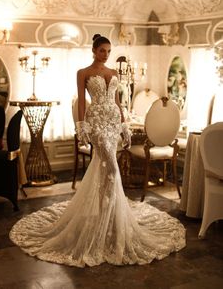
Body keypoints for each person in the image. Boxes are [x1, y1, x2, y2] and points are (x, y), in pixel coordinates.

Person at [10, 34, 186, 267]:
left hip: (113, 121)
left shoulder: (113, 73)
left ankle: (108, 214)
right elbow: (83, 102)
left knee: (106, 167)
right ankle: (107, 213)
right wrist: (82, 126)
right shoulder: (83, 73)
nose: (106, 54)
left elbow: (118, 102)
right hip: (96, 122)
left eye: (108, 51)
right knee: (112, 167)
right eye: (102, 50)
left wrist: (124, 125)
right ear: (94, 50)